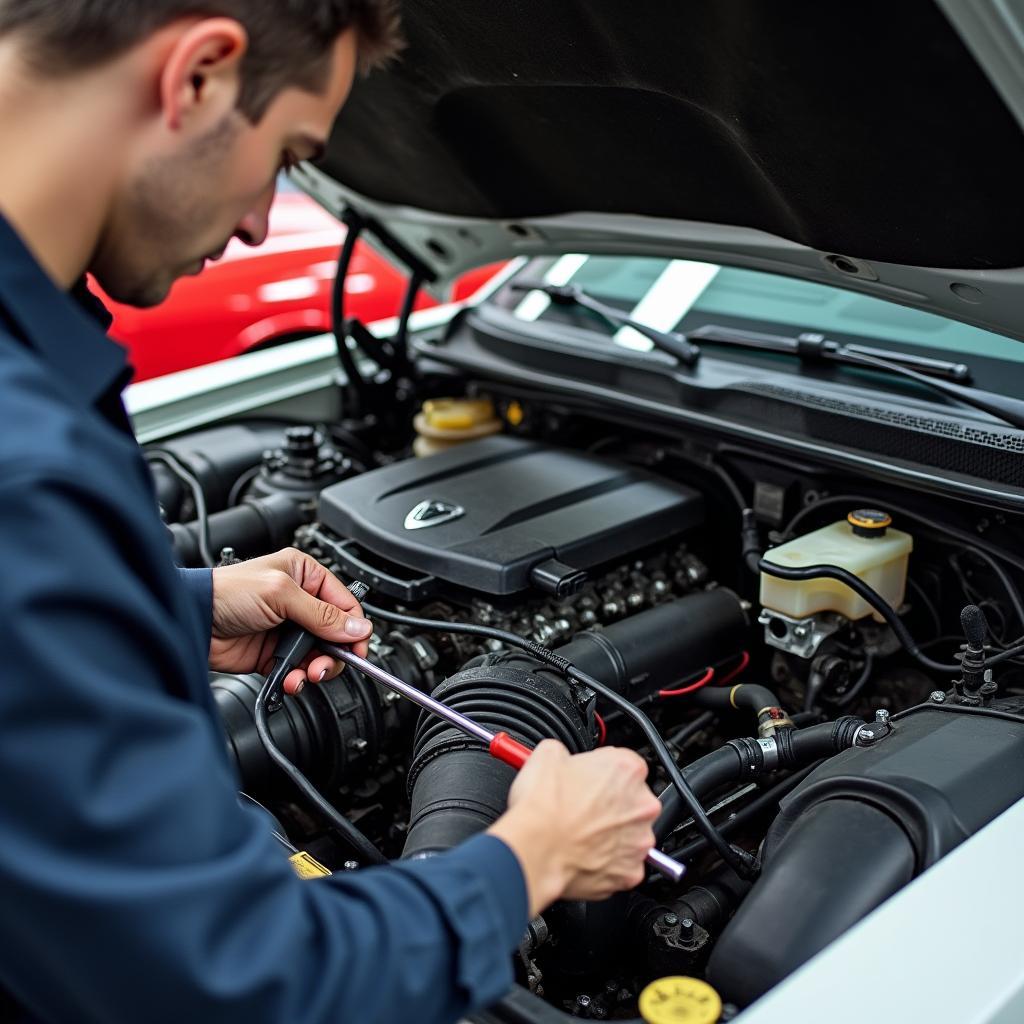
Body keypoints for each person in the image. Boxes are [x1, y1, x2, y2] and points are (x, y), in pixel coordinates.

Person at [0, 3, 663, 1022]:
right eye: (289, 156)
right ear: (202, 75)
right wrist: (529, 858)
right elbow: (235, 988)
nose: (265, 219)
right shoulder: (33, 461)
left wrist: (178, 605)